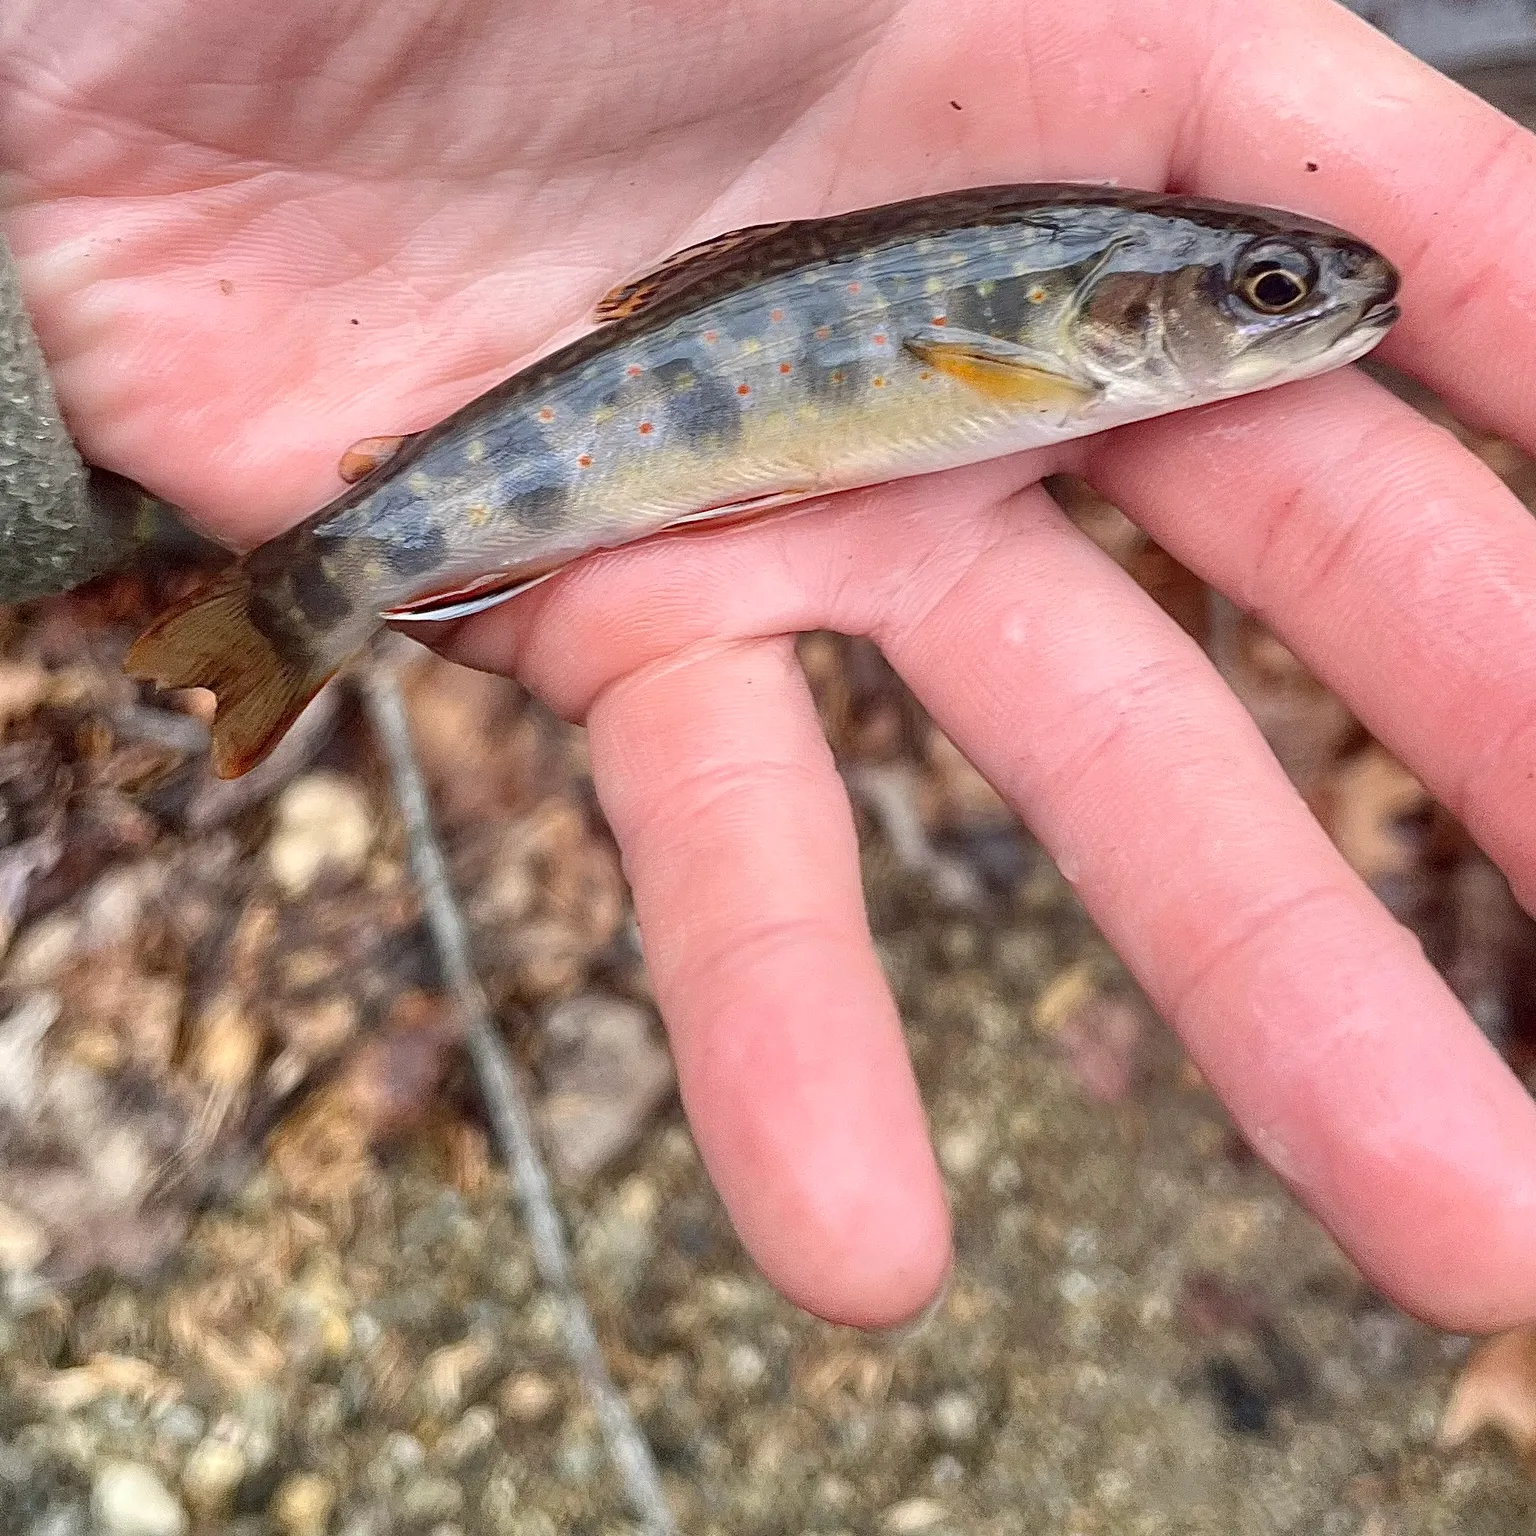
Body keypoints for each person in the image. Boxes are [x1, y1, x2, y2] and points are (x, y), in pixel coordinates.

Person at [4, 0, 1535, 1334]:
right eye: (1271, 292)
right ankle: (307, 602)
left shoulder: (1085, 283)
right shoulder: (1060, 309)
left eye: (1279, 291)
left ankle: (311, 601)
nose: (1314, 311)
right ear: (1126, 318)